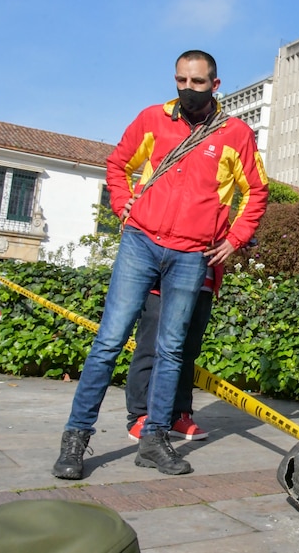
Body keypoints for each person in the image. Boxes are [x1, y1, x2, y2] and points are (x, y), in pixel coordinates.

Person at [52, 50, 268, 480]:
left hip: (192, 253)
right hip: (141, 242)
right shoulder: (152, 119)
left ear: (215, 84)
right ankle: (76, 437)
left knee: (171, 349)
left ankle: (154, 439)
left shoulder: (236, 133)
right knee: (108, 343)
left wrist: (235, 239)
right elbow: (118, 165)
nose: (188, 90)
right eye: (181, 81)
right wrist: (123, 208)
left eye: (197, 83)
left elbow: (257, 190)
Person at [124, 267, 217, 442]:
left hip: (204, 282)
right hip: (163, 279)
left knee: (188, 352)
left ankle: (179, 415)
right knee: (149, 347)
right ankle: (141, 415)